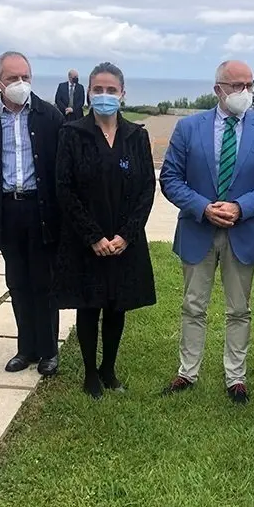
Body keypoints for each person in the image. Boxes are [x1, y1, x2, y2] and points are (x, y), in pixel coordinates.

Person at [160, 60, 254, 404]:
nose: (245, 92)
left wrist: (241, 207)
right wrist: (203, 207)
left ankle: (236, 377)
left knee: (239, 309)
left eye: (250, 85)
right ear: (218, 89)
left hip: (244, 231)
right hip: (198, 228)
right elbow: (170, 178)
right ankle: (187, 371)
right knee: (193, 305)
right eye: (236, 86)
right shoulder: (189, 128)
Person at [54, 62, 156, 398]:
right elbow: (64, 189)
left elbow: (146, 190)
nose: (104, 95)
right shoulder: (72, 134)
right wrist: (93, 237)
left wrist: (126, 235)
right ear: (88, 93)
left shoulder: (136, 136)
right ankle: (89, 374)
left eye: (111, 90)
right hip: (87, 240)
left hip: (123, 239)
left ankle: (108, 369)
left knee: (116, 306)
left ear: (123, 94)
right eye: (98, 89)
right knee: (90, 305)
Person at [0, 51, 63, 376]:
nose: (20, 84)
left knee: (44, 282)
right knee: (18, 282)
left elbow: (59, 166)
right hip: (7, 209)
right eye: (12, 79)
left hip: (42, 210)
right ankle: (26, 348)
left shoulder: (49, 117)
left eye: (25, 77)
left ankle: (49, 350)